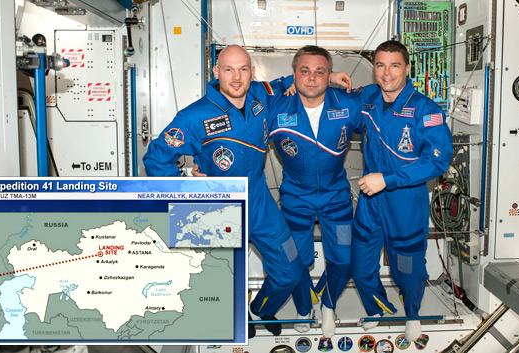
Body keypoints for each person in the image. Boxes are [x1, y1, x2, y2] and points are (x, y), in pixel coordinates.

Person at [143, 45, 305, 338]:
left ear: (252, 73)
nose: (236, 77)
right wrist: (186, 190)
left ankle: (262, 308)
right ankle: (237, 312)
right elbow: (156, 158)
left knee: (291, 269)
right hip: (219, 204)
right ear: (216, 72)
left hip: (258, 200)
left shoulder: (261, 95)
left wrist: (332, 78)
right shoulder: (194, 116)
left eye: (243, 69)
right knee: (222, 277)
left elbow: (292, 81)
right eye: (228, 69)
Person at [351, 40, 452, 342]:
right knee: (360, 264)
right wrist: (330, 79)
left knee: (406, 269)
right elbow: (331, 103)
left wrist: (389, 179)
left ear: (407, 68)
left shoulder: (426, 110)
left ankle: (413, 313)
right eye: (380, 65)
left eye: (394, 65)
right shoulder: (367, 98)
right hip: (370, 201)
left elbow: (437, 159)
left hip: (405, 203)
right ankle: (376, 308)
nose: (386, 72)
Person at [267, 45, 361, 338]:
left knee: (345, 258)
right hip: (296, 197)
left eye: (320, 72)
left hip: (336, 198)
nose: (311, 78)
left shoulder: (349, 105)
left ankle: (328, 304)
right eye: (303, 71)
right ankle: (303, 306)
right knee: (297, 261)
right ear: (293, 74)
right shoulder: (276, 108)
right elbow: (242, 99)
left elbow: (383, 125)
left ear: (329, 75)